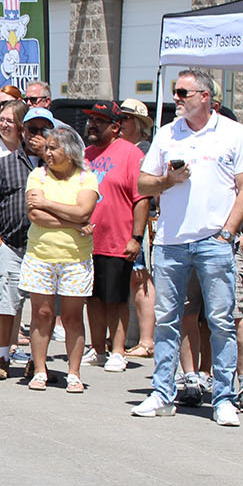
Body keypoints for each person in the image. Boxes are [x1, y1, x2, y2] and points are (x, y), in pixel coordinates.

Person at [133, 69, 243, 426]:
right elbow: (143, 183)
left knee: (221, 321)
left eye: (183, 92)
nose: (177, 98)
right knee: (167, 321)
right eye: (175, 92)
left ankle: (224, 398)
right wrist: (167, 180)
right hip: (172, 242)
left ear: (205, 96)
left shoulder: (233, 133)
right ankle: (162, 394)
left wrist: (228, 233)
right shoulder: (167, 134)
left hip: (213, 241)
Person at [0, 107, 53, 380]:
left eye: (44, 130)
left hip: (47, 249)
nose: (37, 136)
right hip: (13, 245)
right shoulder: (6, 164)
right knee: (5, 303)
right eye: (32, 130)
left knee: (43, 310)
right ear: (23, 131)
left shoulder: (59, 167)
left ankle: (37, 361)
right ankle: (2, 356)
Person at [22, 124, 99, 393]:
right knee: (41, 314)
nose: (48, 152)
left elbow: (84, 210)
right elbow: (35, 215)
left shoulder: (86, 178)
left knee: (72, 317)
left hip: (75, 259)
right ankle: (40, 369)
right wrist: (74, 222)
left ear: (70, 150)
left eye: (53, 148)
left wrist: (49, 205)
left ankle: (74, 372)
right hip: (40, 256)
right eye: (46, 148)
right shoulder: (37, 176)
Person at [82, 102, 147, 374]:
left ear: (115, 126)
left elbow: (141, 199)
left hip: (118, 239)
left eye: (100, 121)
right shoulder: (84, 155)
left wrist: (137, 237)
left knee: (116, 299)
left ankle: (118, 351)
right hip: (86, 241)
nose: (92, 125)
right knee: (93, 298)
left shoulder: (131, 154)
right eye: (91, 120)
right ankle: (97, 349)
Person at [117, 98, 158, 360]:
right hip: (123, 223)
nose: (121, 123)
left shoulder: (144, 151)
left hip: (140, 223)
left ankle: (146, 339)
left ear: (139, 124)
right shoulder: (125, 150)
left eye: (127, 119)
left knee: (140, 280)